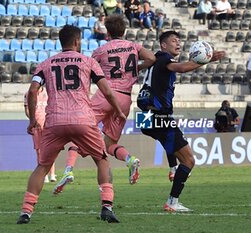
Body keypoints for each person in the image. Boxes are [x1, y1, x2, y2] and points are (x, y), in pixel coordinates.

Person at [17, 25, 126, 224]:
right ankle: (107, 207)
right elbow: (107, 91)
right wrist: (118, 111)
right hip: (83, 119)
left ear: (61, 41)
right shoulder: (89, 62)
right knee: (101, 159)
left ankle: (26, 212)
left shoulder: (45, 63)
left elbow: (33, 91)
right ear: (77, 41)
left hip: (55, 121)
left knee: (42, 166)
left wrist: (32, 120)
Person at [53, 14, 156, 194]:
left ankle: (68, 171)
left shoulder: (102, 50)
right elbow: (152, 59)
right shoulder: (133, 46)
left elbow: (88, 69)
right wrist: (134, 69)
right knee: (109, 144)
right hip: (124, 99)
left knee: (81, 130)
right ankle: (130, 160)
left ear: (107, 32)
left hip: (106, 95)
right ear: (124, 30)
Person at [137, 31, 225, 212]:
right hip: (157, 116)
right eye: (173, 41)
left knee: (171, 142)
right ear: (163, 45)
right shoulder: (162, 58)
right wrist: (205, 60)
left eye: (179, 40)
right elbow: (182, 68)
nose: (178, 43)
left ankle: (173, 169)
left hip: (146, 117)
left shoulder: (157, 61)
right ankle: (172, 202)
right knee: (189, 160)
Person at [24, 87, 56, 183]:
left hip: (48, 124)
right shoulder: (28, 93)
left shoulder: (49, 92)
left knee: (50, 149)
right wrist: (34, 121)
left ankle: (52, 175)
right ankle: (44, 175)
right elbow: (27, 110)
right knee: (39, 151)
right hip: (36, 126)